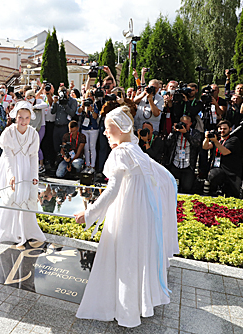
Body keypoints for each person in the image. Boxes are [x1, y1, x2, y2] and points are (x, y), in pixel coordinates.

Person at [74, 106, 178, 328]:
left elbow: (112, 190)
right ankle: (136, 304)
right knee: (135, 253)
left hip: (128, 212)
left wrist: (89, 212)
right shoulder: (134, 148)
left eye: (107, 128)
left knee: (126, 255)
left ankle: (124, 308)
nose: (104, 133)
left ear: (121, 129)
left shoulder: (121, 152)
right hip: (142, 212)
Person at [0, 101, 46, 246]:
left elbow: (33, 156)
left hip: (25, 167)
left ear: (30, 117)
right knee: (11, 194)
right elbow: (7, 155)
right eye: (21, 118)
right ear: (15, 117)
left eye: (26, 118)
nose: (23, 121)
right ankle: (7, 230)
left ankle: (26, 229)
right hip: (10, 166)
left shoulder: (33, 133)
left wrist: (34, 175)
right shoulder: (9, 132)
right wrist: (11, 174)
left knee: (24, 194)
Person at [203, 120, 243, 197]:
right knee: (214, 174)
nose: (222, 131)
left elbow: (225, 152)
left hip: (231, 173)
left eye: (225, 129)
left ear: (230, 129)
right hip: (218, 170)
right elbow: (205, 147)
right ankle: (214, 191)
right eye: (220, 128)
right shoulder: (218, 140)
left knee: (233, 195)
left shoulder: (234, 140)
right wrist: (206, 138)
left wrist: (215, 141)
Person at [165, 115, 202, 193]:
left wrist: (186, 133)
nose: (184, 126)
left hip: (188, 165)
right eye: (182, 123)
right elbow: (167, 143)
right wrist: (173, 132)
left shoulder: (195, 133)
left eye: (186, 124)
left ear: (191, 124)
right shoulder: (176, 132)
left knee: (187, 188)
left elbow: (196, 144)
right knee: (172, 187)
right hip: (175, 163)